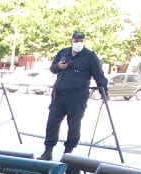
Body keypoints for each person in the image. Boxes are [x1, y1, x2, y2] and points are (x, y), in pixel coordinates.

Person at [39, 30, 108, 161]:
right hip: (59, 95)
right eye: (76, 40)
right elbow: (53, 68)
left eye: (81, 41)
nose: (78, 43)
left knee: (74, 125)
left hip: (77, 97)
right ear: (71, 41)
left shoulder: (89, 56)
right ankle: (48, 151)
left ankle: (68, 154)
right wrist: (59, 66)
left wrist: (104, 91)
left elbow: (99, 75)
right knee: (52, 123)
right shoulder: (63, 52)